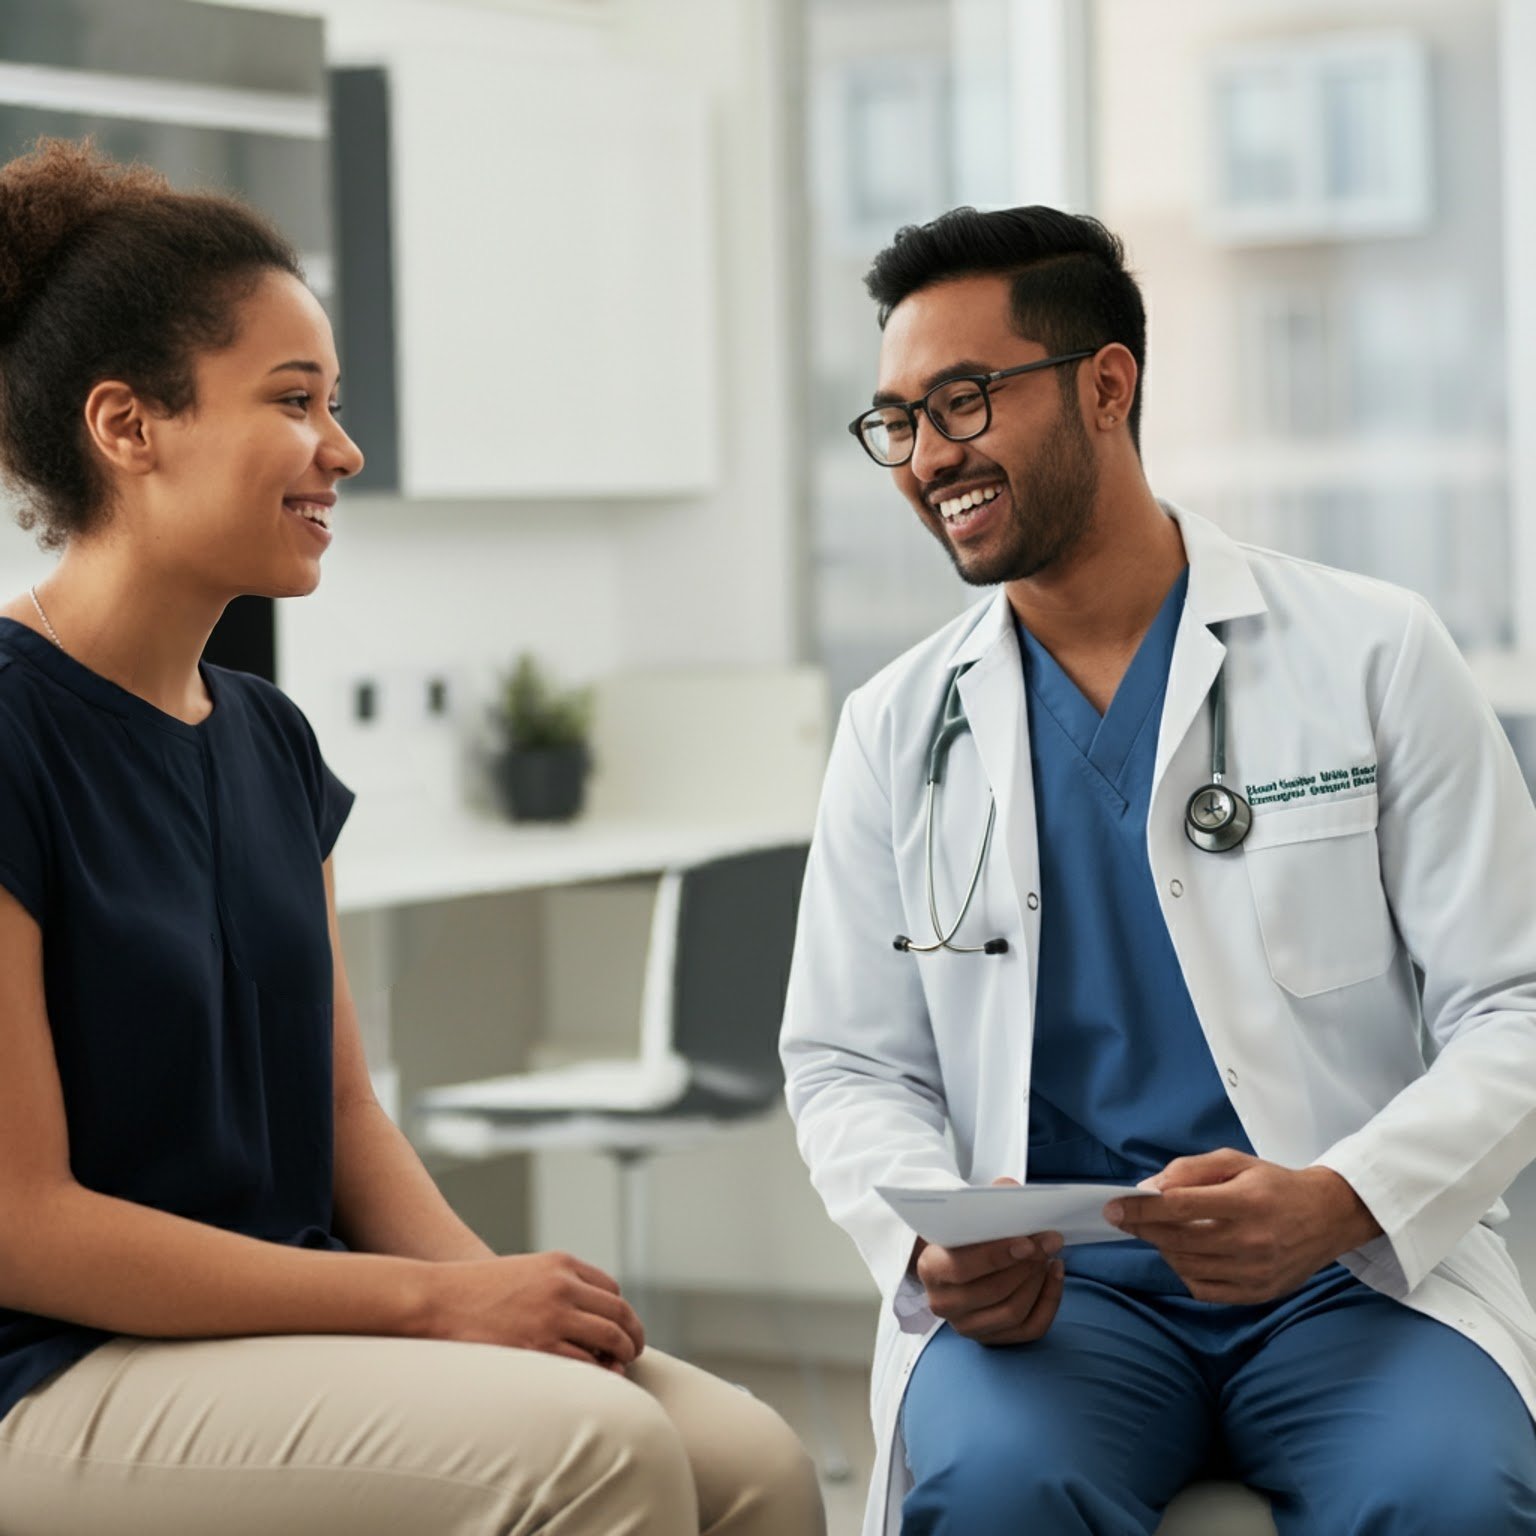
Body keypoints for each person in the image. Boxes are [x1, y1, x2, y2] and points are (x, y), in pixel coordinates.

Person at [0, 138, 824, 1536]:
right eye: (296, 401)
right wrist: (436, 1303)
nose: (344, 451)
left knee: (752, 1461)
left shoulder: (271, 743)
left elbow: (339, 1123)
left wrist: (508, 1304)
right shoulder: (15, 731)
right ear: (129, 428)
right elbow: (26, 1220)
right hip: (55, 1372)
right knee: (592, 1456)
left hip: (284, 1326)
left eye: (338, 403)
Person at [779, 203, 1536, 1536]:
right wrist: (929, 1241)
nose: (925, 459)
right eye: (899, 421)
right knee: (994, 1496)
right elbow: (847, 1062)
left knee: (1453, 1498)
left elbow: (1516, 1002)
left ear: (1107, 388)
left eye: (963, 403)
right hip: (1062, 1308)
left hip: (1353, 1278)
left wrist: (1342, 1198)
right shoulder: (897, 728)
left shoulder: (1373, 655)